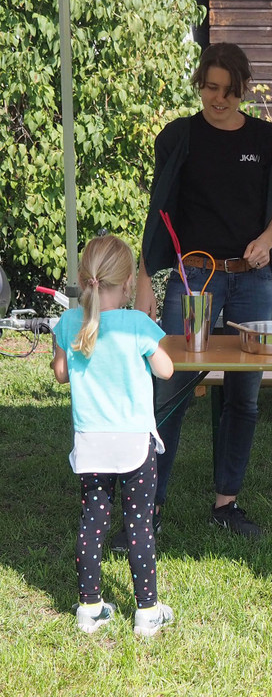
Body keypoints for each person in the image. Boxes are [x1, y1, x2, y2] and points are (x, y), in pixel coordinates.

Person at [131, 42, 272, 539]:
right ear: (200, 84)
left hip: (253, 282)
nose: (218, 99)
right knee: (170, 392)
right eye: (210, 88)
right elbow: (159, 212)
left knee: (243, 397)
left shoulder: (266, 139)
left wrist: (267, 241)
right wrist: (144, 279)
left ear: (243, 90)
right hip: (194, 279)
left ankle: (227, 505)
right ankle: (149, 509)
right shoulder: (179, 136)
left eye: (229, 91)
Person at [51, 235, 176, 636]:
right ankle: (147, 611)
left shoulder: (68, 324)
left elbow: (61, 374)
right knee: (138, 526)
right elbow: (166, 370)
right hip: (134, 443)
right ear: (126, 285)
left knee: (92, 522)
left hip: (91, 443)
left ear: (85, 281)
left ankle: (89, 608)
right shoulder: (137, 324)